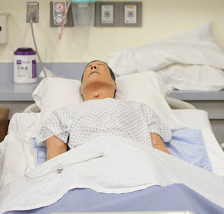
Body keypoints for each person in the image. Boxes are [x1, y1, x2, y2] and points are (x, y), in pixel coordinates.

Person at [36, 60, 172, 160]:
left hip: (135, 163)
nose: (94, 66)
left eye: (100, 66)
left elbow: (157, 146)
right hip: (88, 166)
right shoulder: (63, 113)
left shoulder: (140, 108)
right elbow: (55, 159)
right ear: (81, 88)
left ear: (115, 85)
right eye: (89, 68)